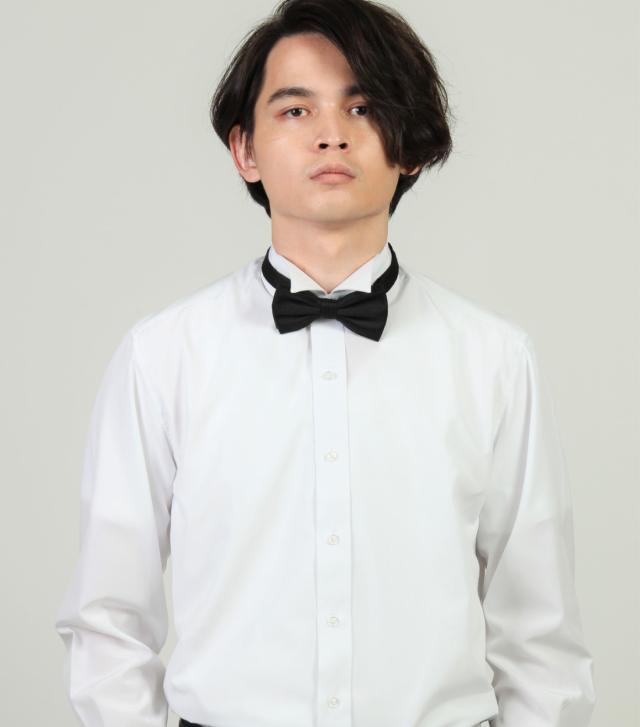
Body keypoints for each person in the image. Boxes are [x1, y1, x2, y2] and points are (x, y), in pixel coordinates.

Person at [54, 0, 596, 725]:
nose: (332, 134)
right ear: (245, 150)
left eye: (363, 108)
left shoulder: (495, 359)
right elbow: (107, 621)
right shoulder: (162, 356)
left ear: (409, 146)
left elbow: (541, 635)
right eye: (295, 110)